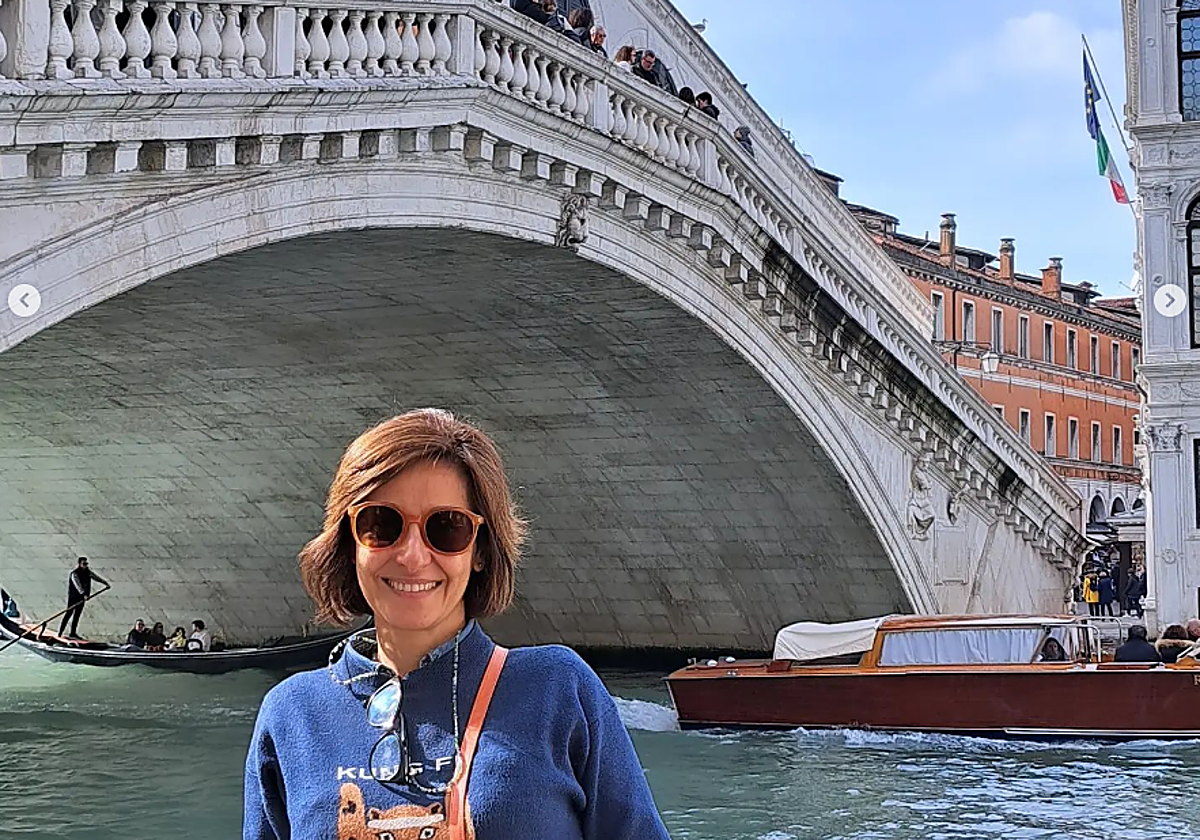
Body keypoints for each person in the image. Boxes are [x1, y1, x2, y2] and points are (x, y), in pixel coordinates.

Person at [243, 408, 671, 839]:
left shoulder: (558, 689)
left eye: (446, 528)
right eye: (381, 525)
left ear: (480, 550)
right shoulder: (290, 714)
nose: (412, 556)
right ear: (349, 542)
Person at [58, 557, 108, 639]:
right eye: (84, 564)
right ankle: (60, 632)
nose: (85, 565)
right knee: (69, 614)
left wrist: (105, 583)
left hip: (82, 598)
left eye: (86, 564)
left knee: (77, 615)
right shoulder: (74, 574)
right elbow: (78, 586)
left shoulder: (88, 572)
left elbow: (96, 577)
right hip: (74, 597)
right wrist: (83, 594)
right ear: (79, 564)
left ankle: (73, 633)